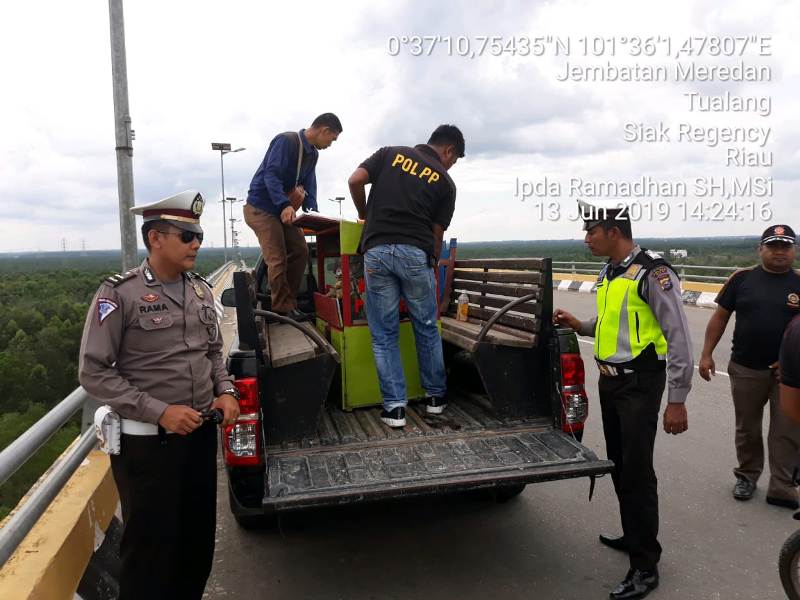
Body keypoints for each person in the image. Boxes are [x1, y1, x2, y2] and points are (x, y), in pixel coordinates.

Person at [78, 190, 241, 600]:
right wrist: (160, 411)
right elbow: (93, 372)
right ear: (155, 238)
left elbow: (212, 353)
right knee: (150, 555)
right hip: (148, 448)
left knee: (196, 548)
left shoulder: (201, 291)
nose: (196, 244)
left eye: (198, 235)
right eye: (186, 235)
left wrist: (225, 390)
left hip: (200, 438)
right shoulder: (120, 294)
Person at [554, 200, 693, 600]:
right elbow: (611, 322)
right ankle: (635, 535)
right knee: (620, 465)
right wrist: (579, 324)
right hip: (610, 383)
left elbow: (679, 335)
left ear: (613, 232)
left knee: (636, 472)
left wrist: (678, 398)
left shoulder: (654, 272)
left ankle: (645, 566)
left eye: (591, 232)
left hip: (639, 384)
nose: (585, 239)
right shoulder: (612, 272)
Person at [347, 124, 464, 428]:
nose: (451, 165)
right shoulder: (446, 183)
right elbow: (437, 236)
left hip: (377, 250)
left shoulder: (389, 154)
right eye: (455, 159)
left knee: (384, 335)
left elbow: (355, 180)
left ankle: (395, 409)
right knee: (426, 326)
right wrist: (429, 265)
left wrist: (365, 214)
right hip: (415, 252)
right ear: (448, 150)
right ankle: (436, 399)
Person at [699, 224, 800, 509]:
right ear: (760, 249)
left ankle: (782, 486)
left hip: (790, 374)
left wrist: (793, 358)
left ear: (794, 250)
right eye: (773, 246)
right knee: (748, 428)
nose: (779, 251)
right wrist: (706, 354)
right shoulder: (741, 279)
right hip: (746, 368)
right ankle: (747, 476)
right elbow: (720, 318)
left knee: (788, 430)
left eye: (785, 246)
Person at [244, 113, 343, 320]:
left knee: (300, 250)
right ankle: (281, 309)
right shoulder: (287, 141)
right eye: (332, 139)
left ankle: (288, 302)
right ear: (324, 130)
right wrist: (284, 204)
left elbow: (309, 184)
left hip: (284, 211)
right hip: (261, 208)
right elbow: (271, 174)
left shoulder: (313, 155)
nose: (331, 144)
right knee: (277, 258)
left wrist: (312, 211)